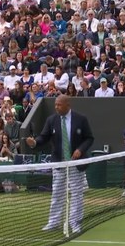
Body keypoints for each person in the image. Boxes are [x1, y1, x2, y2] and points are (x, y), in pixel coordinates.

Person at [25, 95, 94, 233]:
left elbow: (89, 138)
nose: (56, 107)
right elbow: (43, 137)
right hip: (59, 162)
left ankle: (75, 222)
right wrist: (35, 142)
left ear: (67, 105)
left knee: (76, 193)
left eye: (59, 105)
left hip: (76, 163)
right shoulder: (51, 120)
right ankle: (54, 222)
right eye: (55, 104)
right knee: (57, 193)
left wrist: (80, 150)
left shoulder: (81, 119)